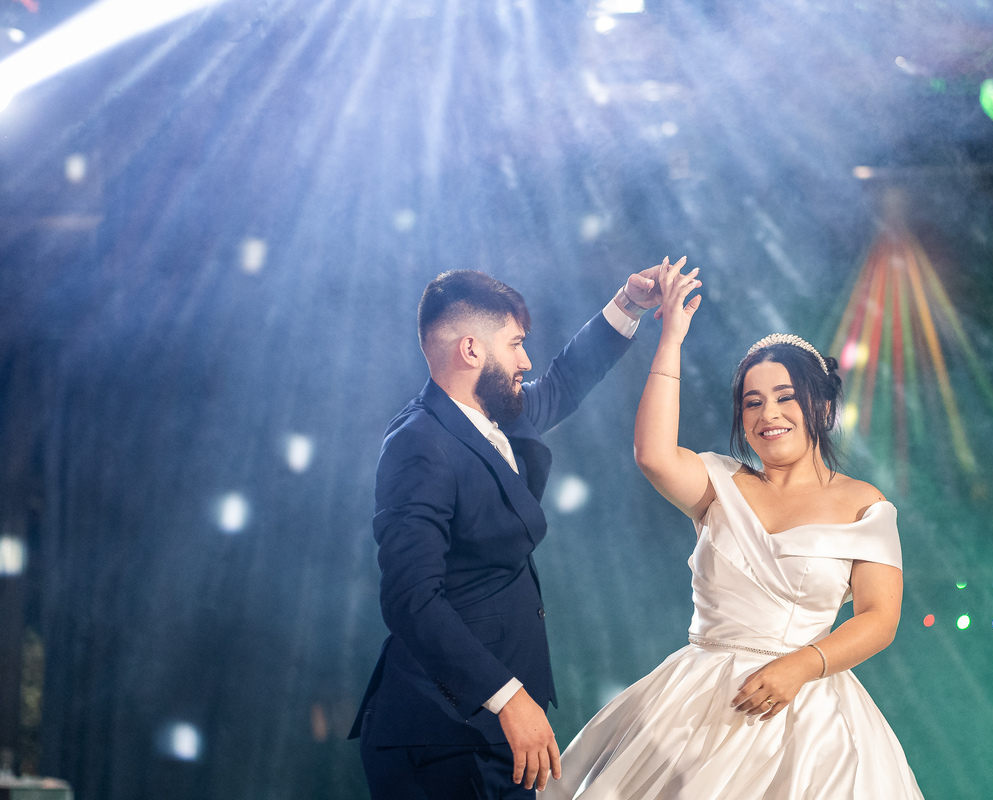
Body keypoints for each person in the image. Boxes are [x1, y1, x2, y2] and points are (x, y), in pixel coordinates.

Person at [544, 258, 924, 799]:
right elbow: (652, 454)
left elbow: (880, 619)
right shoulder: (720, 484)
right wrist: (671, 334)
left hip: (809, 715)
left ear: (819, 404)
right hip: (698, 704)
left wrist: (801, 666)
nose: (768, 412)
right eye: (753, 401)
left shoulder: (863, 503)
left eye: (785, 397)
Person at [349, 264, 671, 799]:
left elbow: (566, 381)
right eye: (516, 344)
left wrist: (629, 303)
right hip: (442, 738)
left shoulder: (495, 416)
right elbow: (410, 598)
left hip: (493, 732)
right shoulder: (419, 445)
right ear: (471, 350)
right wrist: (506, 696)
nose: (526, 360)